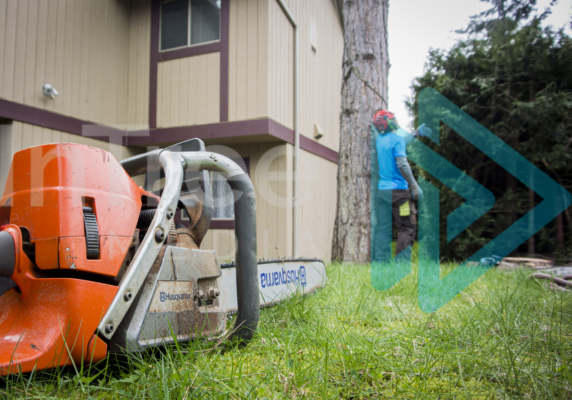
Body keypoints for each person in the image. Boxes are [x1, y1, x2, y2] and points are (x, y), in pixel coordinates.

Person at [371, 110, 429, 263]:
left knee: (383, 228)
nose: (397, 120)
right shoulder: (397, 139)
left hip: (383, 193)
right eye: (394, 119)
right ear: (389, 122)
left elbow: (402, 140)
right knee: (406, 228)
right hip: (399, 195)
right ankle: (401, 265)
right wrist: (415, 186)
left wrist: (416, 133)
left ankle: (380, 263)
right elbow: (402, 163)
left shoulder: (380, 139)